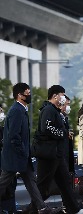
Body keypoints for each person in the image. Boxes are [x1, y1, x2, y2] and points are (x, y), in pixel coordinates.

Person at [0, 83, 52, 214]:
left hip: (21, 157)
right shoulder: (16, 111)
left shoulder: (21, 110)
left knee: (31, 182)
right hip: (15, 157)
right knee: (3, 183)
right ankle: (42, 208)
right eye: (27, 93)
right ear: (19, 95)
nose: (29, 96)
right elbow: (13, 136)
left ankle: (42, 208)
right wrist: (23, 152)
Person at [34, 84, 83, 214]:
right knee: (42, 186)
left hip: (56, 154)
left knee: (65, 183)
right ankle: (31, 210)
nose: (63, 98)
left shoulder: (54, 110)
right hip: (49, 155)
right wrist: (63, 133)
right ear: (55, 96)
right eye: (62, 95)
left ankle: (75, 209)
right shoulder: (48, 110)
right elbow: (47, 128)